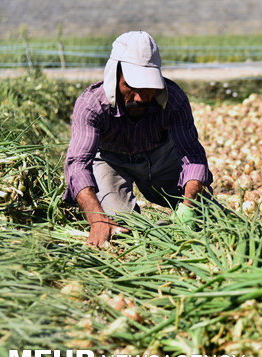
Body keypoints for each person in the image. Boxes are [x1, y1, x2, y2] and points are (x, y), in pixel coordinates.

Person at [64, 31, 213, 247]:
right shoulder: (91, 106)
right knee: (121, 227)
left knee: (207, 215)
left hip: (162, 157)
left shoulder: (174, 100)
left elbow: (193, 156)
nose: (140, 97)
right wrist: (96, 218)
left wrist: (190, 205)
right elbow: (77, 164)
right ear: (114, 75)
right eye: (132, 87)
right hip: (111, 162)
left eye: (148, 88)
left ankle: (185, 218)